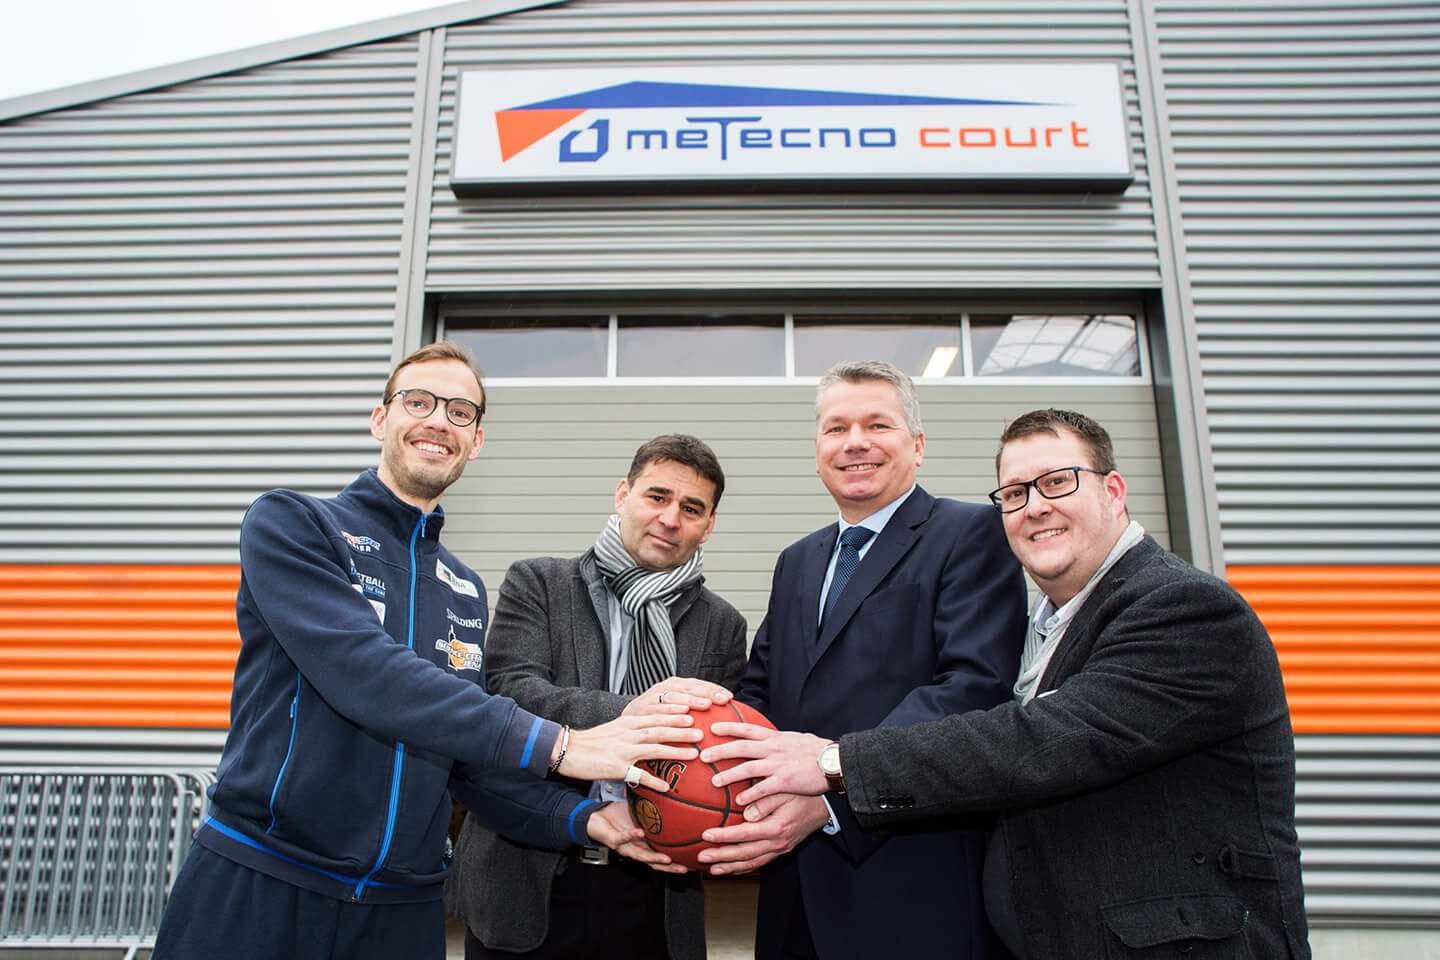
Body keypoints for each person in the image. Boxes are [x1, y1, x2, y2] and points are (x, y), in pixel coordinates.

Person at [152, 342, 702, 960]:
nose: (440, 420)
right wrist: (563, 744)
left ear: (477, 442)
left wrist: (582, 821)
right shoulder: (294, 524)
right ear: (380, 418)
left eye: (461, 412)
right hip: (264, 881)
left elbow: (466, 758)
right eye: (419, 401)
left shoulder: (465, 588)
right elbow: (366, 673)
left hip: (402, 910)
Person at [705, 408, 1312, 960]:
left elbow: (1045, 740)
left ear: (1115, 490)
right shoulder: (1048, 627)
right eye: (1016, 493)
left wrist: (835, 763)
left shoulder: (1182, 607)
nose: (1036, 507)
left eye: (1058, 482)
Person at [700, 360, 1028, 959]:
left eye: (878, 425)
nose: (855, 443)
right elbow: (763, 688)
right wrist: (722, 763)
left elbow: (971, 687)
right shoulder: (797, 560)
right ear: (817, 446)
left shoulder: (973, 533)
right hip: (791, 887)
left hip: (911, 885)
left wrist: (829, 794)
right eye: (836, 428)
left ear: (918, 445)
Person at [447, 434, 748, 960]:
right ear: (622, 495)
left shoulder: (722, 625)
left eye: (691, 508)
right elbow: (512, 694)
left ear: (709, 526)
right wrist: (634, 715)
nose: (670, 518)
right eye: (657, 497)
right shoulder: (538, 583)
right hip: (532, 878)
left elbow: (722, 751)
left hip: (654, 893)